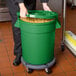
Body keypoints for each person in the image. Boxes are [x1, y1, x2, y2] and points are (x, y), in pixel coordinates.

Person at [6, 0, 51, 66]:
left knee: (29, 24)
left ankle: (29, 52)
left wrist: (44, 4)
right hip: (15, 3)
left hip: (29, 2)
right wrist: (21, 5)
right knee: (18, 27)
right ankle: (19, 53)